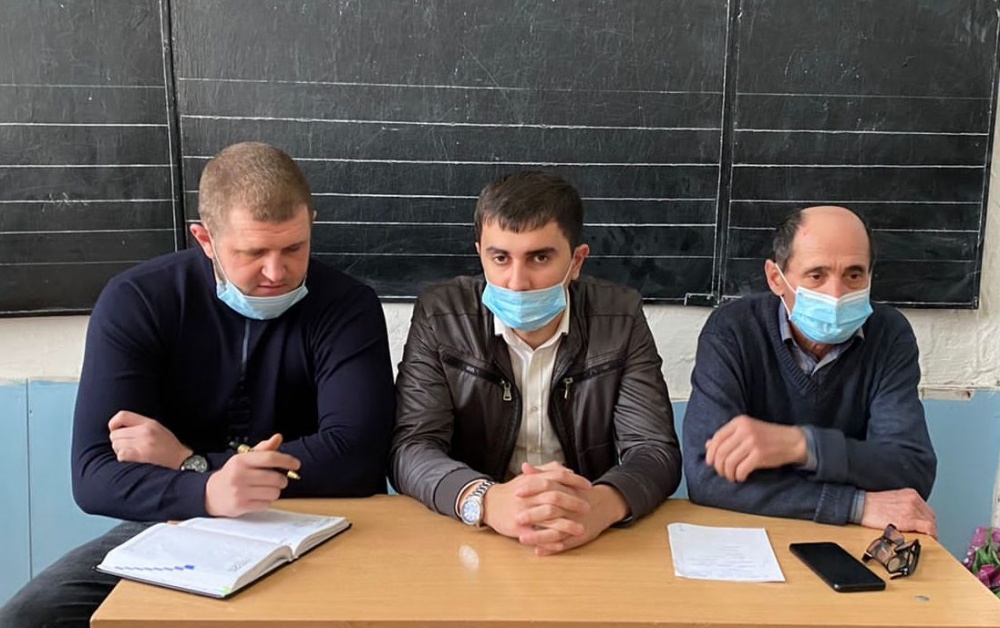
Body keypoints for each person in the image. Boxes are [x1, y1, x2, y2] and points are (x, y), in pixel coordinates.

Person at [0, 142, 396, 626]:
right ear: (205, 239)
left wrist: (190, 463)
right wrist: (207, 491)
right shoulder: (138, 300)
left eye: (295, 248)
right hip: (176, 521)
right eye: (253, 252)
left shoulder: (348, 306)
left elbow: (357, 456)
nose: (277, 272)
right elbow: (94, 475)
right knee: (29, 618)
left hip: (319, 522)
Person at [390, 170, 681, 556]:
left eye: (539, 257)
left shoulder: (620, 316)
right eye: (500, 258)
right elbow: (412, 447)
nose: (517, 281)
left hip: (585, 537)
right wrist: (484, 499)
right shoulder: (440, 315)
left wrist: (602, 504)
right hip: (475, 536)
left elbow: (654, 449)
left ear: (576, 261)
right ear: (480, 255)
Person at [682, 205, 937, 535]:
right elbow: (706, 477)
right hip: (749, 537)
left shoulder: (889, 335)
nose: (836, 294)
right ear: (776, 278)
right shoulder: (733, 331)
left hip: (849, 542)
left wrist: (802, 446)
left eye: (854, 275)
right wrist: (854, 504)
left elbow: (911, 469)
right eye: (817, 276)